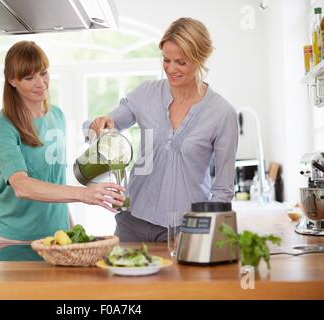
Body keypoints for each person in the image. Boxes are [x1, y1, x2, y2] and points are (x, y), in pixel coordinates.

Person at [85, 17, 238, 242]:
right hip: (132, 223)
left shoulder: (222, 113)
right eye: (166, 60)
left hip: (186, 228)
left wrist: (203, 233)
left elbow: (223, 189)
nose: (171, 69)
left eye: (181, 62)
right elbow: (107, 125)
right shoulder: (147, 93)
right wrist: (100, 126)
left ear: (200, 59)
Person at [0, 41, 125, 243]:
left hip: (58, 236)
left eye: (43, 73)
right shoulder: (2, 125)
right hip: (17, 239)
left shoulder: (57, 115)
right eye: (29, 77)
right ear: (12, 80)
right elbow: (22, 186)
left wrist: (71, 231)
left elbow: (55, 181)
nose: (40, 83)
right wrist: (84, 194)